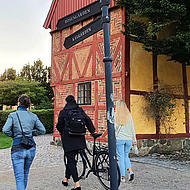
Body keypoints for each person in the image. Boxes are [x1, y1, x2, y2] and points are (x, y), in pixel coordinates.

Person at [2, 94, 46, 190]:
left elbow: (5, 130)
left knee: (19, 178)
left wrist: (13, 135)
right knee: (25, 174)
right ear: (28, 104)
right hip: (31, 148)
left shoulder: (13, 115)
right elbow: (42, 130)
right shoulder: (33, 116)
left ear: (19, 103)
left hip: (17, 147)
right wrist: (31, 132)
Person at [56, 95, 95, 190]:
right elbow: (88, 121)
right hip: (80, 139)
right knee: (71, 160)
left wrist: (62, 133)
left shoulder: (63, 112)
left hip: (68, 139)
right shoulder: (80, 110)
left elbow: (59, 126)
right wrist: (92, 132)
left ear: (66, 102)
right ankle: (66, 179)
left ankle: (77, 184)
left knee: (71, 161)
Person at [114, 100, 137, 182]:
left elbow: (114, 129)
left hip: (120, 139)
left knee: (120, 158)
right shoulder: (129, 115)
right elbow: (132, 129)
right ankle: (130, 171)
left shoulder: (116, 115)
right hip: (129, 140)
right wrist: (134, 140)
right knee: (126, 156)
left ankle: (122, 177)